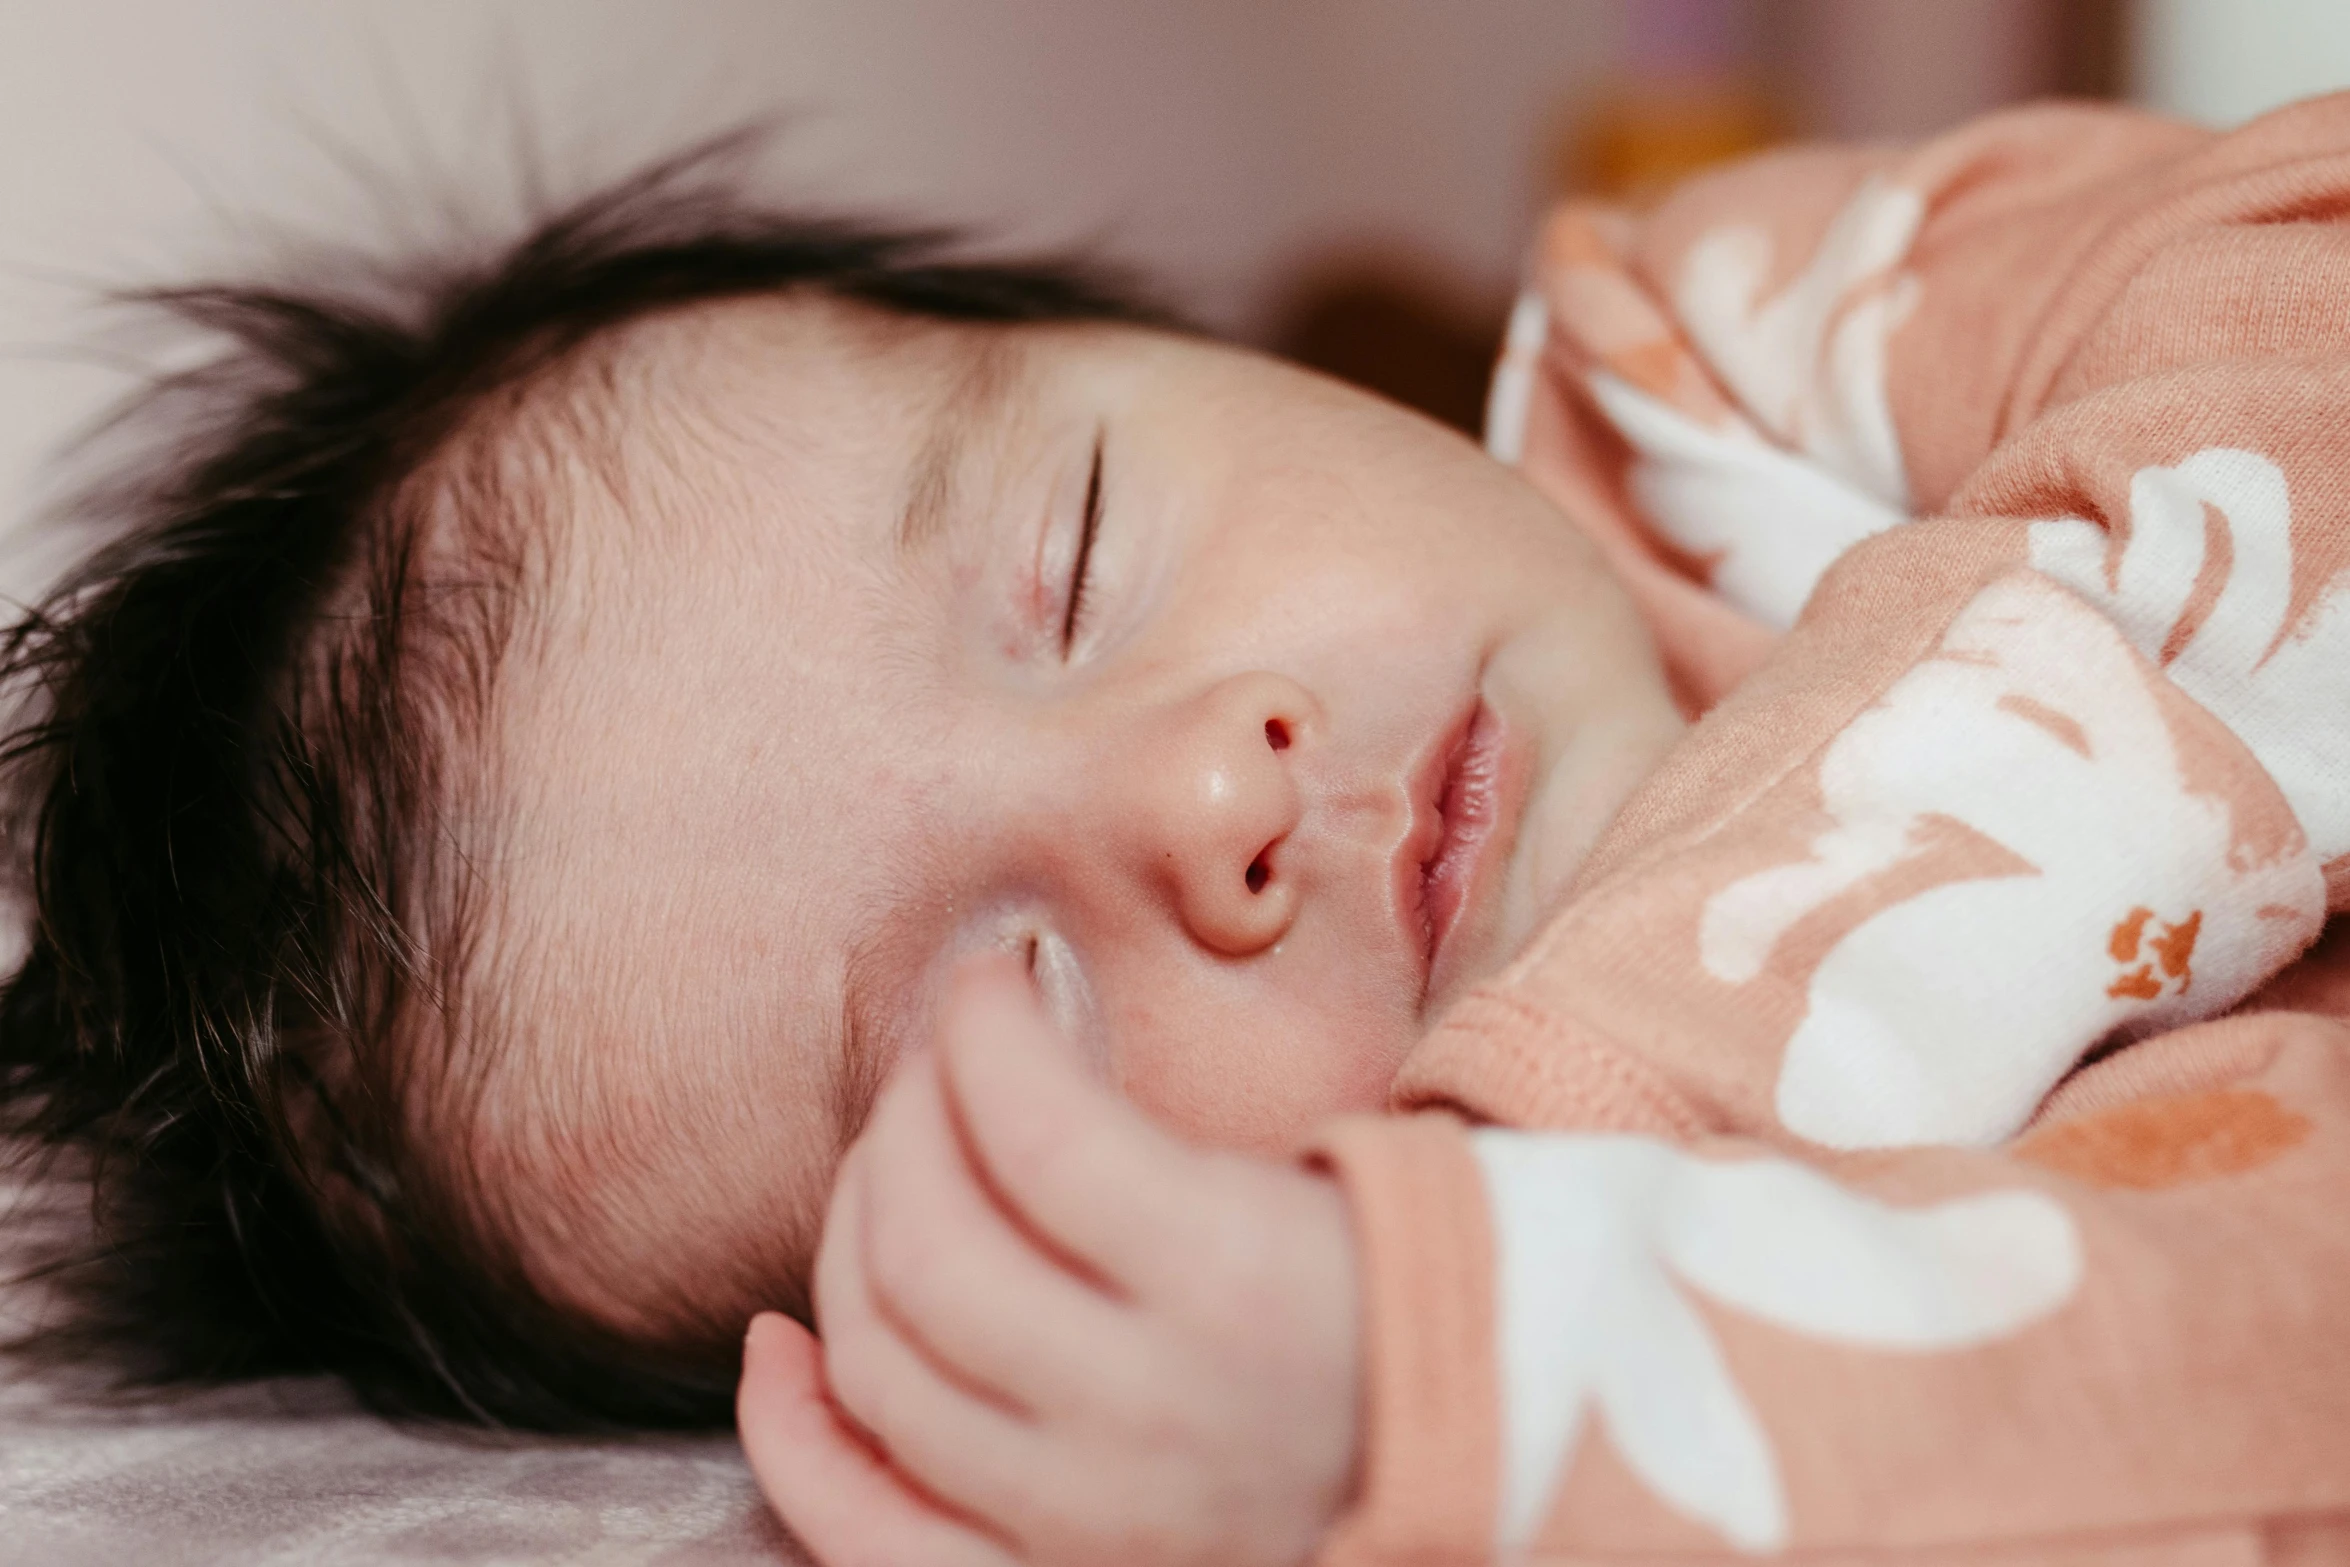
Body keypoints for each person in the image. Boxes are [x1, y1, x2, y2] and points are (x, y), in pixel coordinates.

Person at [736, 96, 2350, 1566]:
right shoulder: (1599, 1278)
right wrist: (1453, 1399)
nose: (1207, 798)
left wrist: (1596, 1089)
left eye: (1078, 557)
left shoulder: (1704, 352)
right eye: (1021, 1005)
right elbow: (2252, 1376)